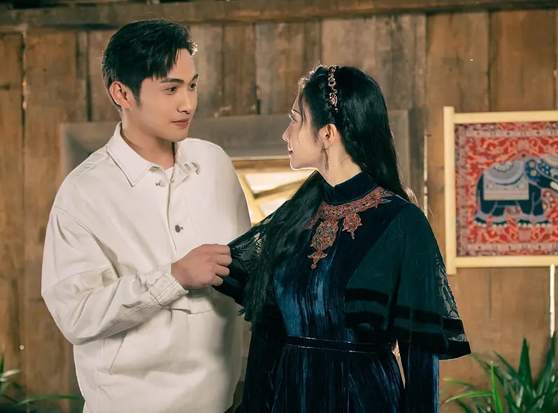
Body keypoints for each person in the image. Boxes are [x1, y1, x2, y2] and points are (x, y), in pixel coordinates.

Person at [217, 65, 470, 412]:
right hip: (290, 399)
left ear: (328, 133)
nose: (286, 134)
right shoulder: (293, 220)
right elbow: (267, 338)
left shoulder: (402, 223)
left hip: (363, 401)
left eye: (295, 120)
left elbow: (421, 364)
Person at [41, 19, 250, 413]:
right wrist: (174, 277)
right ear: (122, 93)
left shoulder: (214, 163)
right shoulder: (83, 191)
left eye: (192, 86)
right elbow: (76, 315)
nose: (188, 104)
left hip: (224, 405)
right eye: (171, 89)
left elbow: (244, 275)